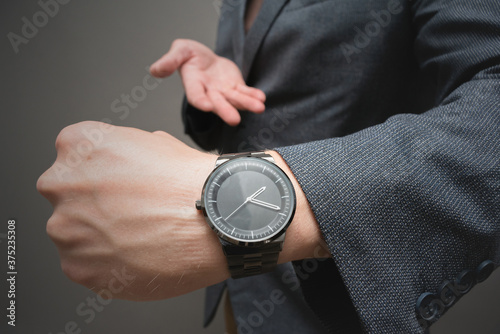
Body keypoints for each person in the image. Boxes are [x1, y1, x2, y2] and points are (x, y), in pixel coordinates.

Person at [37, 0, 500, 333]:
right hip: (233, 290)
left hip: (337, 298)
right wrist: (216, 81)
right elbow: (275, 100)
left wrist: (251, 215)